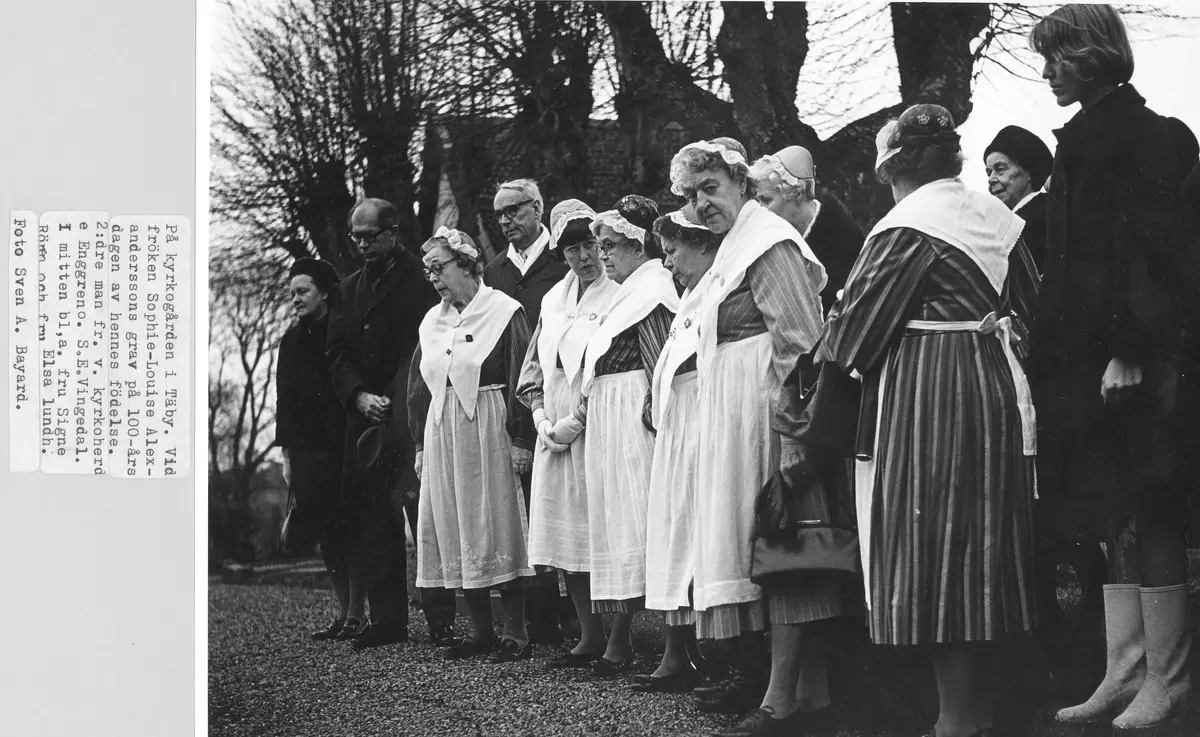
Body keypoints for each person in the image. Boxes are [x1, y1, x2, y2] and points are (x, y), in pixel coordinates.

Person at [817, 104, 1039, 737]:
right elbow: (1031, 309)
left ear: (891, 166)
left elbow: (854, 336)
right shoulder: (995, 217)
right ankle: (981, 710)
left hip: (929, 389)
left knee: (935, 544)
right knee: (983, 544)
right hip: (993, 383)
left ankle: (954, 719)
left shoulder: (907, 225)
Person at [1030, 5, 1197, 730]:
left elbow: (1157, 251)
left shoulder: (1148, 134)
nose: (1047, 73)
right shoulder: (1081, 137)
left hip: (1134, 360)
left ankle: (1169, 677)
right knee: (1114, 510)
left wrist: (1130, 347)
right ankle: (1126, 669)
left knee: (1152, 508)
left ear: (1090, 54)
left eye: (1055, 58)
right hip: (1085, 361)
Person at [669, 137, 833, 724]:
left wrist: (794, 435)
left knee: (783, 550)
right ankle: (807, 694)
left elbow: (801, 346)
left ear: (741, 182)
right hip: (737, 418)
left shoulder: (768, 242)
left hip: (769, 418)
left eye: (711, 187)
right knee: (762, 552)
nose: (701, 203)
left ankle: (780, 700)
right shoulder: (733, 247)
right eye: (692, 194)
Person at [543, 194, 680, 677]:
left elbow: (661, 367)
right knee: (618, 529)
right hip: (608, 417)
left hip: (632, 422)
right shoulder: (629, 291)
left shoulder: (653, 291)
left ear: (638, 246)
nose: (602, 256)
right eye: (599, 246)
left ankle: (675, 651)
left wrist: (653, 420)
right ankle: (621, 646)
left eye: (610, 247)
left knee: (647, 527)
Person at [326, 198, 458, 650]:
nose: (362, 245)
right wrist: (358, 396)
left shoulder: (421, 280)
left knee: (427, 516)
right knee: (374, 521)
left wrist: (395, 396)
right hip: (366, 424)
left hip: (411, 415)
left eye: (370, 236)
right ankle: (387, 621)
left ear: (392, 233)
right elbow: (336, 354)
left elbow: (430, 343)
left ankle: (441, 619)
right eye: (356, 237)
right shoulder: (347, 289)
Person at [408, 226, 538, 663]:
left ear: (465, 264)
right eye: (427, 271)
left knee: (497, 520)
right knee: (456, 523)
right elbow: (419, 388)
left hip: (488, 425)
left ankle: (516, 630)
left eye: (438, 268)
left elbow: (523, 375)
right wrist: (420, 445)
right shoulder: (432, 321)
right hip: (443, 431)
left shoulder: (503, 311)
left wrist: (522, 437)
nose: (433, 278)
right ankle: (481, 630)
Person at [516, 199, 621, 669]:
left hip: (596, 420)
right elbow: (533, 366)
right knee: (568, 535)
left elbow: (615, 366)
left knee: (603, 527)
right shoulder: (553, 300)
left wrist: (576, 420)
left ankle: (620, 639)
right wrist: (541, 419)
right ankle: (589, 634)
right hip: (553, 430)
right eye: (572, 249)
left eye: (591, 245)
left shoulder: (618, 293)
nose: (584, 256)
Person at [635, 207, 721, 693]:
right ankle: (676, 652)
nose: (667, 263)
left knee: (696, 530)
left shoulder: (717, 291)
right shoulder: (689, 296)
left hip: (701, 417)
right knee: (674, 530)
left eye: (673, 251)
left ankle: (707, 652)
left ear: (703, 244)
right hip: (677, 421)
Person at [484, 178, 570, 644]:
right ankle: (542, 617)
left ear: (537, 207)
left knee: (564, 506)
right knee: (527, 511)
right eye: (499, 214)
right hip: (516, 406)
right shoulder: (494, 271)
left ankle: (580, 615)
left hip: (562, 395)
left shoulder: (562, 260)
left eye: (514, 210)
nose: (506, 221)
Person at [275, 258, 348, 641]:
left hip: (343, 444)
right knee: (326, 533)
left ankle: (358, 612)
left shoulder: (341, 330)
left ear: (323, 291)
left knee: (351, 527)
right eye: (292, 293)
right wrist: (287, 456)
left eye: (303, 291)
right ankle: (344, 611)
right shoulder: (291, 341)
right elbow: (284, 400)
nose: (296, 299)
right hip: (306, 452)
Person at [749, 145, 865, 314]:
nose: (759, 209)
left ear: (797, 194)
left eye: (767, 200)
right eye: (758, 201)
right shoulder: (767, 236)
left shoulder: (847, 238)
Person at [983, 125, 1053, 272]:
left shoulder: (1042, 215)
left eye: (1000, 169)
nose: (990, 179)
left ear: (1028, 172)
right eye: (989, 172)